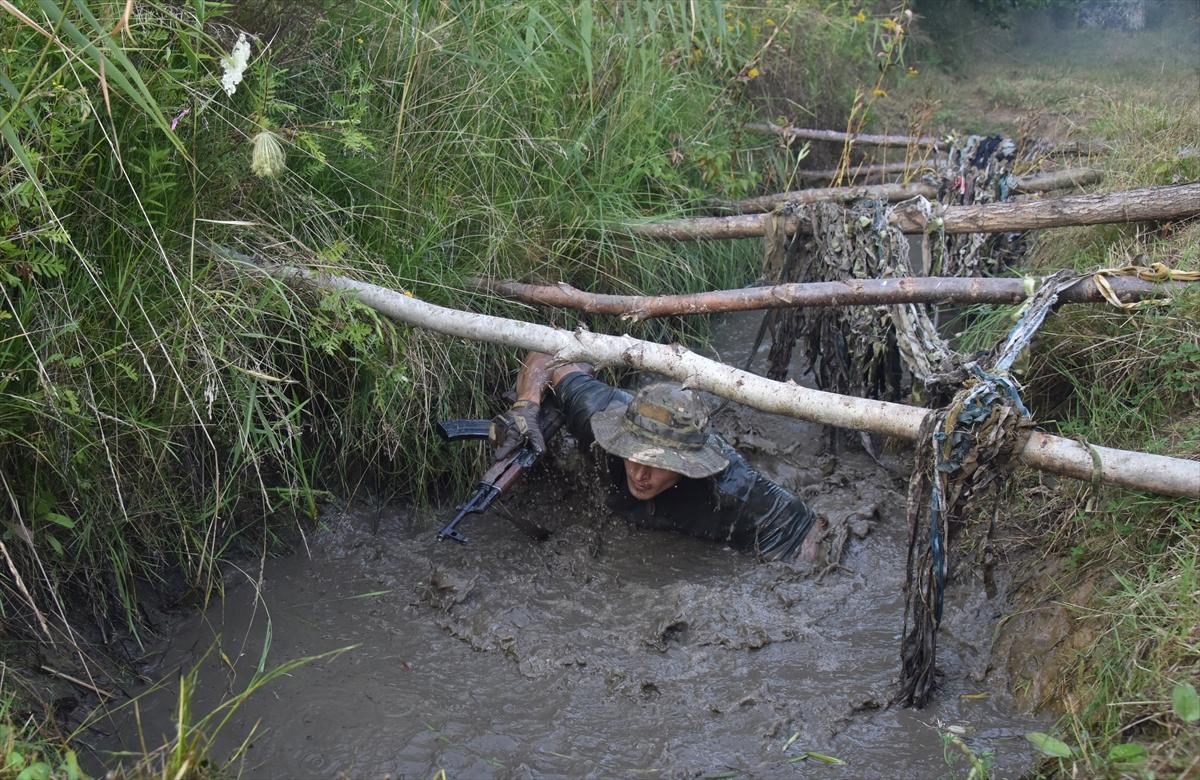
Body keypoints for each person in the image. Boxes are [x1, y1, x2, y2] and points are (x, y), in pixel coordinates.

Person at [489, 352, 819, 561]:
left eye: (657, 464)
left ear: (687, 466)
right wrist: (526, 406)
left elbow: (809, 537)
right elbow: (548, 350)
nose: (639, 473)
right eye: (631, 454)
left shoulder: (736, 490)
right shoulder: (596, 413)